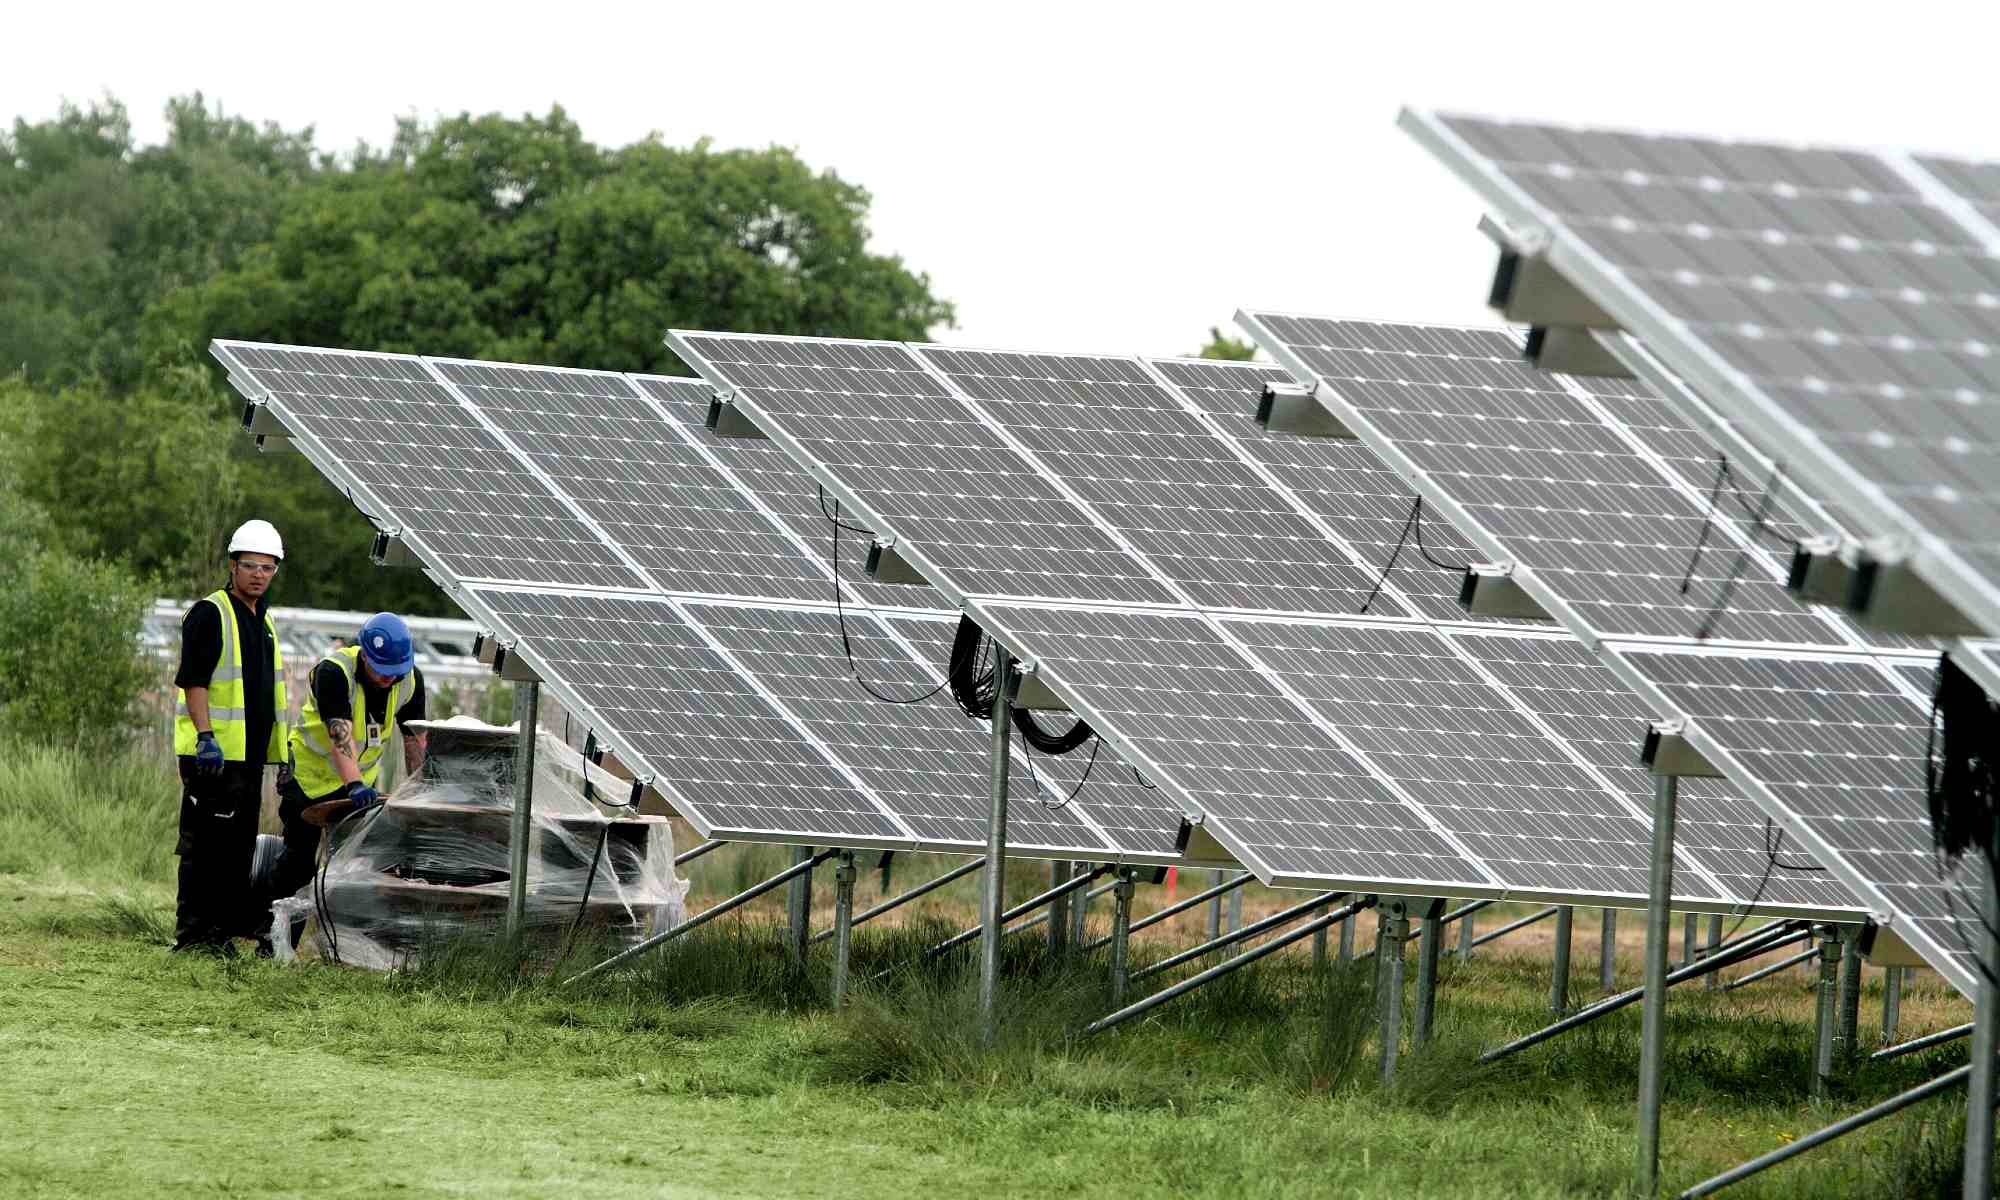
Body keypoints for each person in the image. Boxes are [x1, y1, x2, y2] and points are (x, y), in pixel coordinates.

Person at [171, 519, 290, 955]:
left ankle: (219, 931)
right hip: (213, 756)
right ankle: (194, 934)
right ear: (233, 565)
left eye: (268, 567)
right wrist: (205, 737)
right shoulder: (211, 612)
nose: (259, 574)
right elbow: (194, 682)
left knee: (237, 849)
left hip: (248, 757)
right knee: (205, 847)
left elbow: (268, 694)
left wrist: (281, 756)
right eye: (251, 565)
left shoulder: (265, 621)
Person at [263, 612, 428, 919]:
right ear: (365, 655)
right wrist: (353, 784)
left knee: (359, 864)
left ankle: (345, 938)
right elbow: (340, 734)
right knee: (299, 861)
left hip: (359, 784)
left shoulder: (409, 681)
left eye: (396, 671)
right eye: (382, 671)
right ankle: (273, 935)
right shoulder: (335, 672)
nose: (389, 678)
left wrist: (422, 789)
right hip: (309, 777)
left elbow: (414, 740)